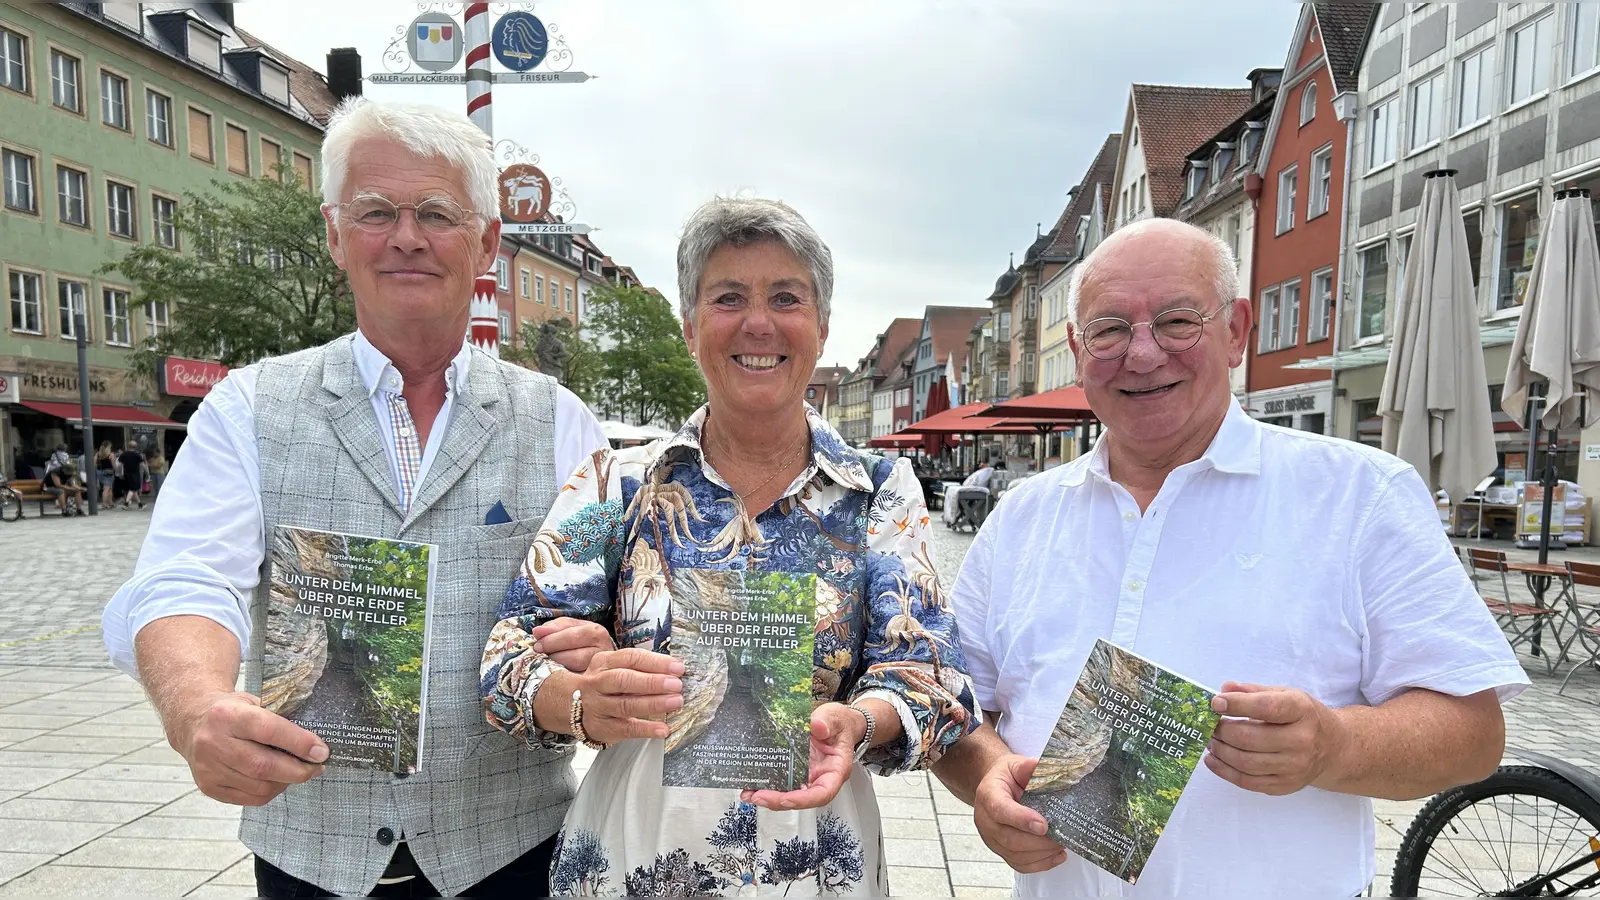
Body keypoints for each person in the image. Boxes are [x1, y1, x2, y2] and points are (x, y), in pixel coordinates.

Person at [102, 99, 612, 898]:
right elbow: (187, 578)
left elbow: (609, 606)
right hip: (311, 860)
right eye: (376, 212)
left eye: (437, 213)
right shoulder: (249, 407)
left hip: (511, 853)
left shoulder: (560, 421)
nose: (406, 236)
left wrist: (601, 646)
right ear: (335, 234)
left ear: (486, 242)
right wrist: (195, 704)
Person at [930, 219, 1528, 897]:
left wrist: (1335, 744)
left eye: (1177, 321)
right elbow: (953, 706)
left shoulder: (1360, 495)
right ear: (1077, 348)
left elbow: (1474, 734)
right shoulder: (1021, 518)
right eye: (1110, 330)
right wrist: (989, 779)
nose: (1144, 353)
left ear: (1237, 330)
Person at [480, 197, 980, 897]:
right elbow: (509, 653)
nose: (758, 323)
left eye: (786, 297)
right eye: (728, 297)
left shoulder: (878, 491)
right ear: (690, 327)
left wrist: (860, 721)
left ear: (822, 327)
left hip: (813, 847)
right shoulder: (620, 482)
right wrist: (580, 698)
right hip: (637, 845)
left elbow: (932, 677)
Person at [115, 441, 147, 510]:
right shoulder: (137, 455)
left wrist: (119, 473)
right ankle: (126, 504)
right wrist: (147, 472)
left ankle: (140, 504)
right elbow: (142, 465)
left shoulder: (123, 454)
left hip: (126, 474)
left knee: (133, 489)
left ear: (128, 446)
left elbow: (119, 465)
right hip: (135, 474)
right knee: (133, 489)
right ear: (135, 447)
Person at [93, 441, 116, 507]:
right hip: (109, 472)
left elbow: (94, 464)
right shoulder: (111, 454)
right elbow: (113, 465)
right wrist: (115, 471)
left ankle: (111, 503)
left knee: (110, 488)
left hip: (100, 472)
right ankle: (104, 504)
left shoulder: (98, 454)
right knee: (106, 489)